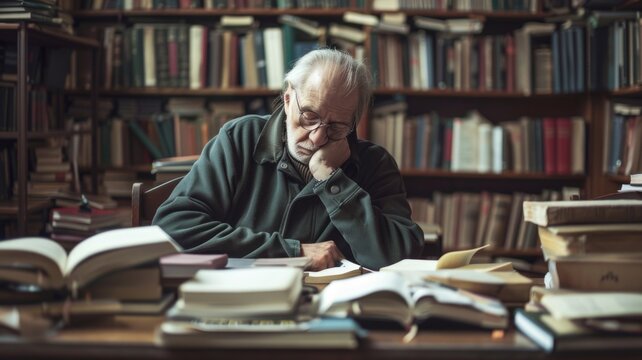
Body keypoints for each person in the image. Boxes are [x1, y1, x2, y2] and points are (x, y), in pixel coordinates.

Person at [153, 48, 424, 270]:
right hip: (244, 300)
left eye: (337, 126)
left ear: (354, 123)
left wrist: (333, 180)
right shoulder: (240, 138)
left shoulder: (375, 163)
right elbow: (173, 226)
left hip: (333, 312)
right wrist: (293, 251)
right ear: (287, 99)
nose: (317, 138)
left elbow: (400, 257)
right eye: (309, 116)